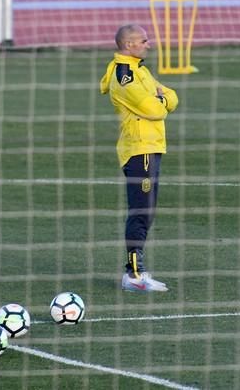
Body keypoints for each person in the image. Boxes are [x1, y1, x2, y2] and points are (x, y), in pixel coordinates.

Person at [99, 24, 179, 293]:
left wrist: (163, 99)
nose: (149, 44)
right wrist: (162, 101)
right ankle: (134, 274)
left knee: (147, 210)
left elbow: (171, 95)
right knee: (140, 211)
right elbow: (154, 109)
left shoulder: (139, 69)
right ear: (129, 44)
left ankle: (137, 271)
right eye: (144, 40)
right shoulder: (125, 77)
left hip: (151, 146)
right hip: (139, 149)